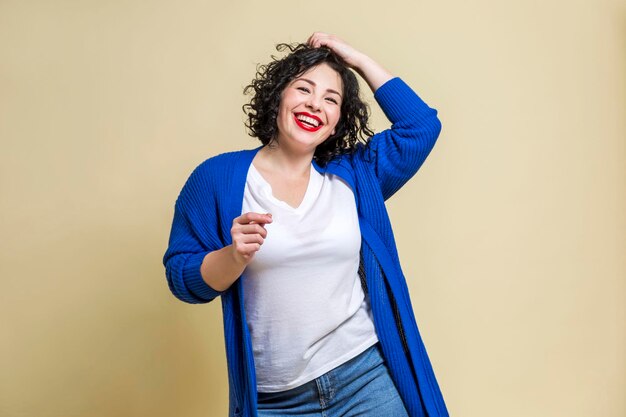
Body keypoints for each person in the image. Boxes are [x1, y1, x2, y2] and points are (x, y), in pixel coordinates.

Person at [163, 32, 449, 417]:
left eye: (331, 99)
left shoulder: (355, 175)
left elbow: (420, 127)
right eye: (304, 89)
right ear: (278, 97)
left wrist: (358, 60)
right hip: (274, 402)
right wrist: (233, 256)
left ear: (336, 123)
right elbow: (183, 281)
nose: (315, 103)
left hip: (364, 379)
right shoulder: (217, 179)